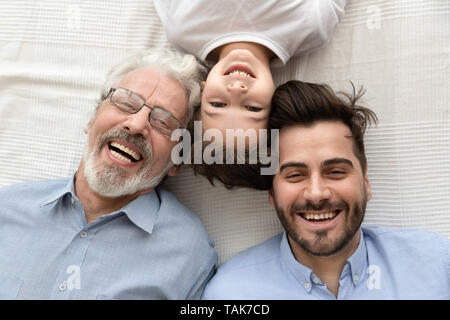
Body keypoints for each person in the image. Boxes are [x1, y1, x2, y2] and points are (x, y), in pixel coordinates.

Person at [0, 49, 217, 299]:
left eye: (163, 122)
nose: (135, 125)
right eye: (126, 103)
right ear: (92, 119)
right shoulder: (6, 210)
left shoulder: (190, 253)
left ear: (176, 161)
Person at [202, 80, 450, 299]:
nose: (317, 193)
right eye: (295, 175)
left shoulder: (437, 263)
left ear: (366, 183)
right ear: (272, 193)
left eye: (336, 172)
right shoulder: (231, 293)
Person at [154, 0, 347, 134]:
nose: (236, 90)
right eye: (252, 108)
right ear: (275, 99)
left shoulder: (181, 30)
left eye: (218, 104)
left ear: (202, 91)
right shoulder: (312, 29)